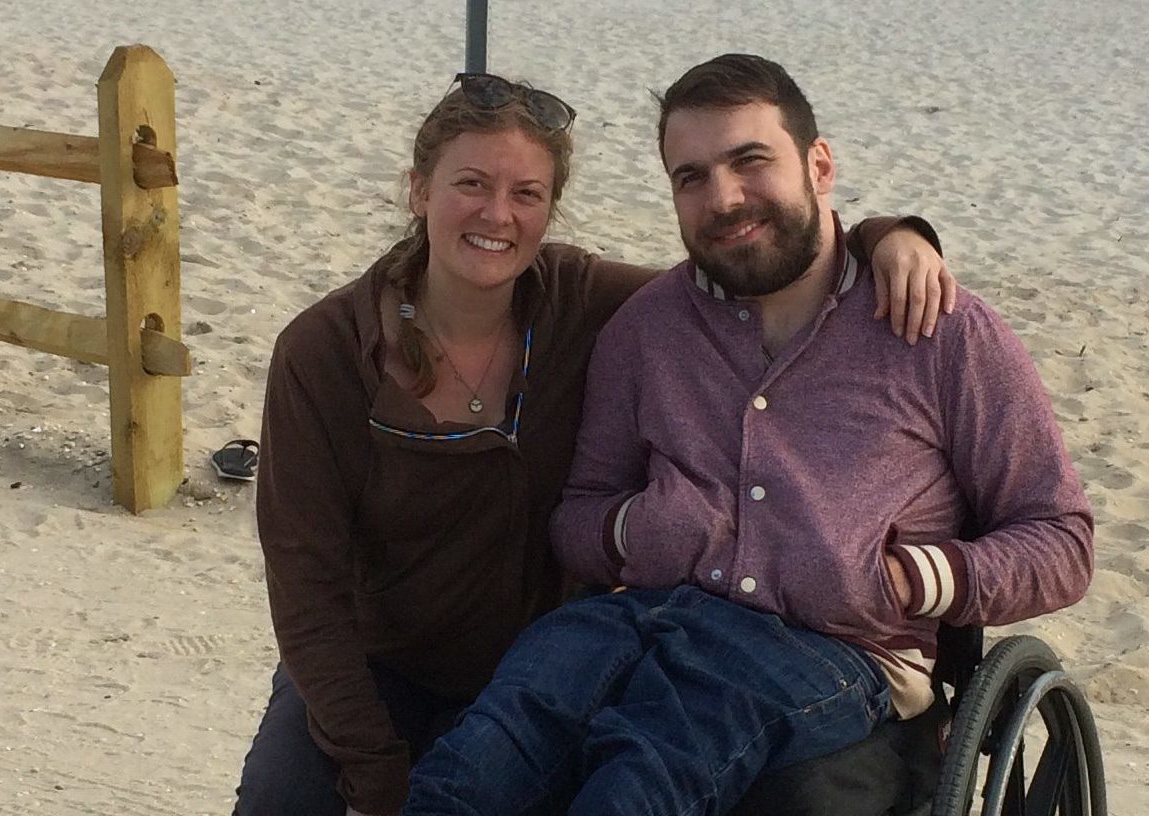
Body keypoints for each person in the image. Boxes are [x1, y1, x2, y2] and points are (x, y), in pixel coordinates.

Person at [238, 71, 959, 816]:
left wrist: (885, 238)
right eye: (471, 184)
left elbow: (755, 268)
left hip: (544, 661)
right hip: (375, 663)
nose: (497, 214)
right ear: (419, 189)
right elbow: (307, 593)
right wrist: (373, 774)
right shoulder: (327, 352)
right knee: (279, 799)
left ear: (550, 209)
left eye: (527, 194)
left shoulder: (590, 302)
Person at [397, 54, 1098, 816]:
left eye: (749, 160)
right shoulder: (645, 330)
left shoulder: (941, 329)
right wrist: (639, 528)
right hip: (641, 615)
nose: (723, 198)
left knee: (643, 781)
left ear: (819, 163)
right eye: (690, 177)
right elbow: (578, 517)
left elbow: (1060, 540)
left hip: (836, 650)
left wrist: (907, 577)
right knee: (472, 768)